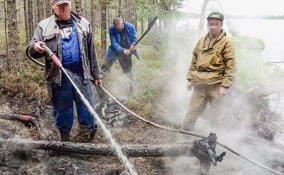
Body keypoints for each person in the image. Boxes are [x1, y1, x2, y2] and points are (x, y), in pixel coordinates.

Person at [26, 0, 103, 142]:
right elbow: (31, 49)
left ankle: (86, 137)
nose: (64, 9)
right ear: (52, 5)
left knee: (86, 107)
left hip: (81, 75)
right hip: (59, 77)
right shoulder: (44, 26)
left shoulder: (83, 24)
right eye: (60, 6)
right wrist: (35, 47)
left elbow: (91, 51)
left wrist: (97, 74)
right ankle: (65, 139)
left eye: (66, 5)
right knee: (63, 110)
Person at [183, 12, 236, 131]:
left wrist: (225, 86)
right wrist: (190, 79)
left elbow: (231, 66)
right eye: (210, 24)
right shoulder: (201, 41)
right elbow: (194, 61)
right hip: (199, 85)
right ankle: (185, 139)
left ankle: (215, 143)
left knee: (217, 118)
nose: (212, 27)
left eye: (215, 24)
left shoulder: (227, 42)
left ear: (221, 24)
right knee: (190, 115)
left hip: (216, 86)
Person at [102, 17, 139, 94]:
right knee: (105, 68)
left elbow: (134, 39)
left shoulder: (130, 27)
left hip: (127, 51)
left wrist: (132, 45)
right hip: (115, 51)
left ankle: (132, 89)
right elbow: (114, 43)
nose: (119, 30)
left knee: (128, 70)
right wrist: (122, 50)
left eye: (120, 29)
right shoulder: (111, 29)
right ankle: (102, 87)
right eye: (117, 29)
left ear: (123, 24)